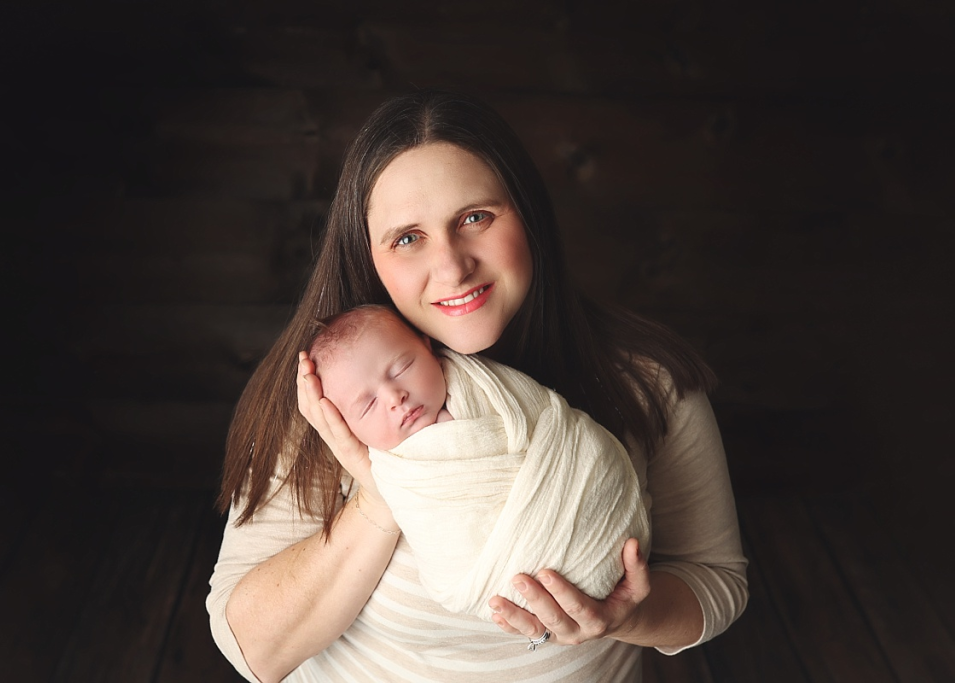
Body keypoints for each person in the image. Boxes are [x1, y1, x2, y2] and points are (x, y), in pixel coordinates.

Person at [207, 89, 748, 683]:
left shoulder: (649, 383)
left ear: (530, 217)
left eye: (475, 218)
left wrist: (623, 615)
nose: (452, 265)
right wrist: (384, 491)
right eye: (407, 237)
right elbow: (252, 649)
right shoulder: (333, 403)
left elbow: (716, 581)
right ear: (370, 256)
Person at [306, 304, 651, 623]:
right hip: (502, 582)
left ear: (429, 348)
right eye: (367, 406)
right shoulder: (395, 472)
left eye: (402, 368)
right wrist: (372, 483)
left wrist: (629, 623)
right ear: (341, 424)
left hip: (606, 510)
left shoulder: (481, 385)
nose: (395, 398)